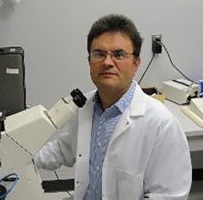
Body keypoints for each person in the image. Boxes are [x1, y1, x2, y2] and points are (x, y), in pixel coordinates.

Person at [34, 14, 192, 200]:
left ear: (136, 64)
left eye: (119, 55)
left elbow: (170, 196)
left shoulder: (161, 124)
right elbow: (67, 147)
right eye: (99, 54)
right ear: (89, 61)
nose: (107, 62)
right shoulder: (84, 106)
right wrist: (23, 156)